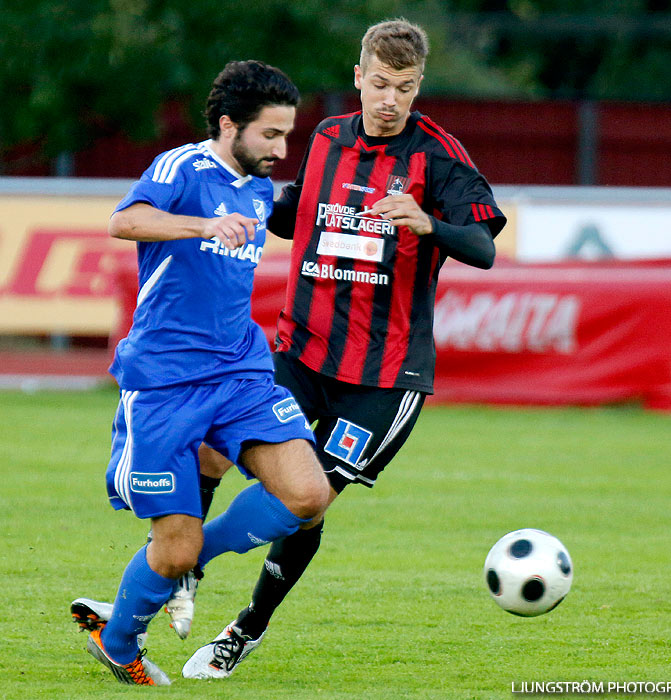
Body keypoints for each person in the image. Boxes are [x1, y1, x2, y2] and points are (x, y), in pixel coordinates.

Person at [73, 18, 507, 681]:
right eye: (381, 84)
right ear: (359, 78)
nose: (391, 100)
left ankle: (232, 617)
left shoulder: (436, 156)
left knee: (310, 499)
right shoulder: (320, 140)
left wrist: (429, 222)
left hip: (381, 372)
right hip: (292, 351)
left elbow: (482, 248)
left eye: (407, 88)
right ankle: (166, 572)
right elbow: (291, 209)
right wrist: (223, 215)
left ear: (419, 88)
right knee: (215, 459)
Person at [69, 59, 329, 686]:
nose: (280, 148)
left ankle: (178, 565)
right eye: (270, 134)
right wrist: (201, 224)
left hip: (240, 371)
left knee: (308, 496)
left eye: (287, 135)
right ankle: (120, 638)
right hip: (163, 382)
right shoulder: (183, 168)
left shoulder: (263, 190)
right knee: (174, 546)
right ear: (228, 124)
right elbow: (123, 221)